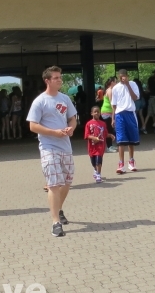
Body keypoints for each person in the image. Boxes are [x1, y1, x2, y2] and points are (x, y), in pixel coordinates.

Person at [27, 66, 77, 238]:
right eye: (55, 78)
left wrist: (71, 127)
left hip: (66, 146)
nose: (59, 80)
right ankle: (55, 222)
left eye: (60, 77)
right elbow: (33, 125)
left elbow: (72, 117)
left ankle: (59, 208)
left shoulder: (65, 99)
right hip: (48, 147)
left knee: (67, 181)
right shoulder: (40, 101)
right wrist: (53, 132)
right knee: (54, 183)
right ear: (47, 81)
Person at [109, 68, 140, 173]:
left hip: (130, 113)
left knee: (131, 139)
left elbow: (135, 98)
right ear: (118, 77)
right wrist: (113, 118)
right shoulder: (115, 88)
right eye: (121, 76)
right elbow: (114, 105)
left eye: (124, 76)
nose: (123, 78)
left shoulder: (133, 84)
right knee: (121, 140)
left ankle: (131, 161)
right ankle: (121, 163)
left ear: (127, 76)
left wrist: (128, 85)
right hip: (119, 115)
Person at [84, 106, 108, 183]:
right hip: (92, 147)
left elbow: (105, 133)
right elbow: (87, 135)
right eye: (95, 112)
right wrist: (93, 138)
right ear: (92, 113)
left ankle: (98, 174)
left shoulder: (103, 123)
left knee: (99, 161)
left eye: (98, 112)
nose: (97, 113)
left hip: (100, 146)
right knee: (93, 162)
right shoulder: (89, 124)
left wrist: (110, 135)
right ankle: (95, 169)